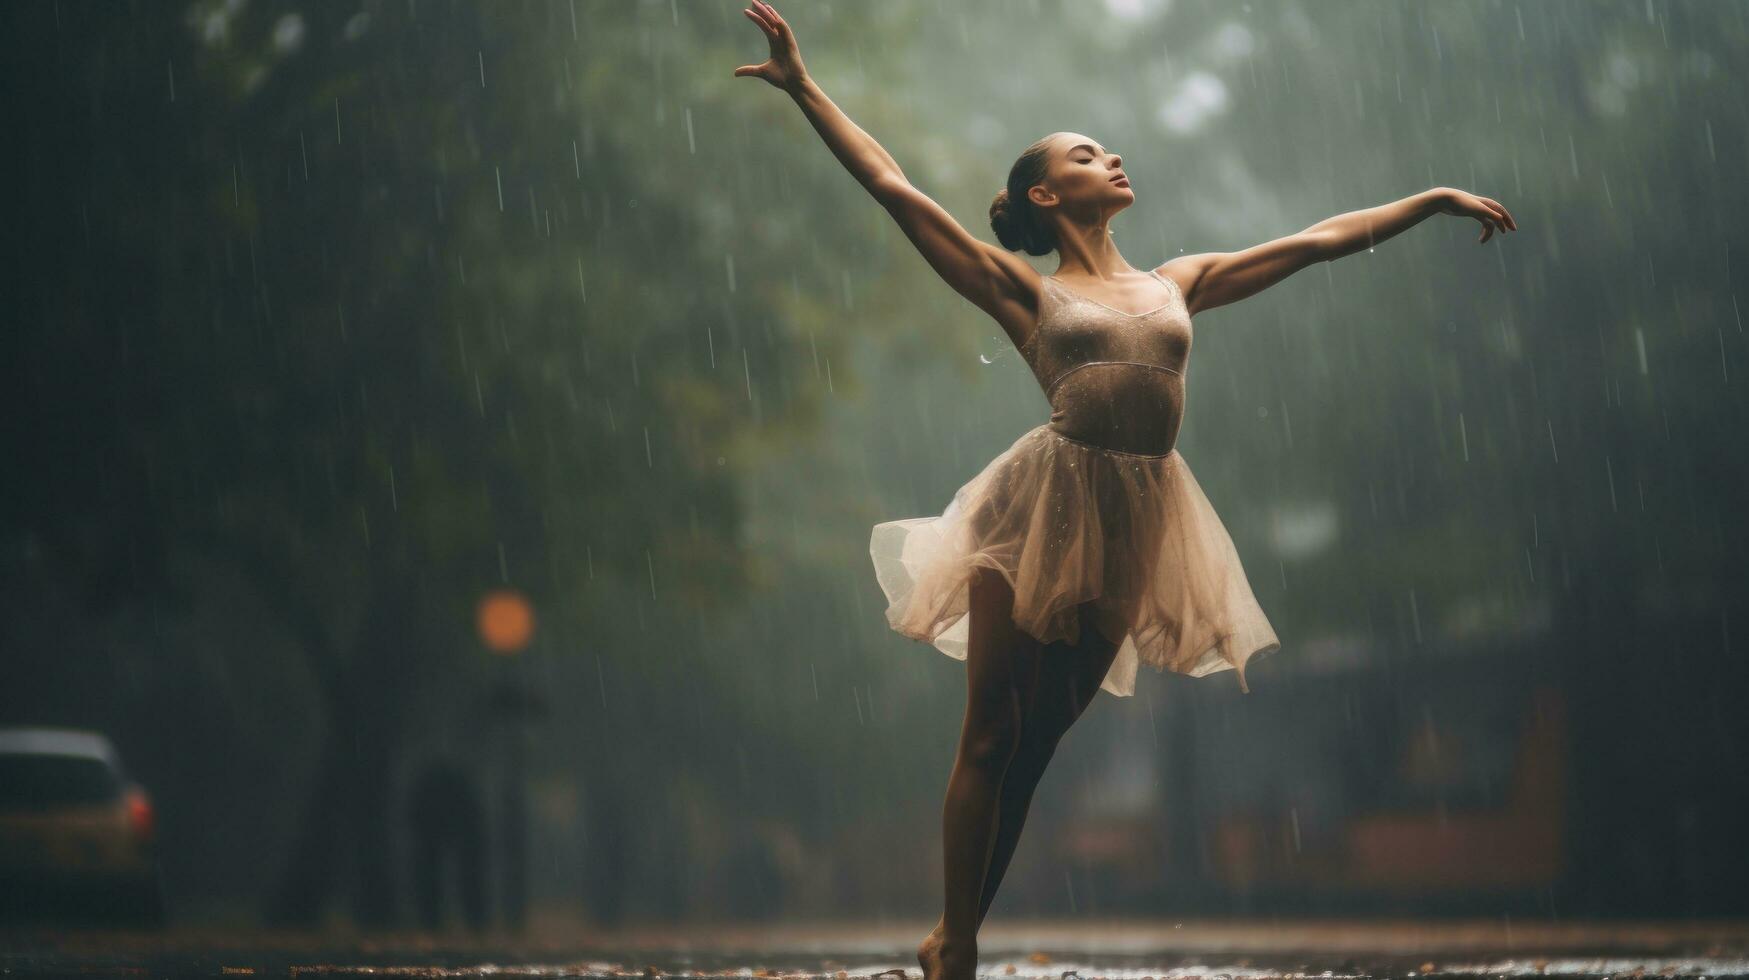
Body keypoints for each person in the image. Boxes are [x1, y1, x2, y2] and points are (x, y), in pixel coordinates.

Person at [732, 5, 1517, 978]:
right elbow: (894, 188)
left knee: (1037, 744)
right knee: (989, 727)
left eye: (1106, 149)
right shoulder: (1026, 292)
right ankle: (960, 939)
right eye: (1085, 153)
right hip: (1035, 511)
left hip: (1137, 517)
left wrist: (1433, 197)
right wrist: (806, 88)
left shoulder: (1176, 282)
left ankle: (954, 926)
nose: (1111, 159)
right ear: (1044, 194)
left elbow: (1320, 239)